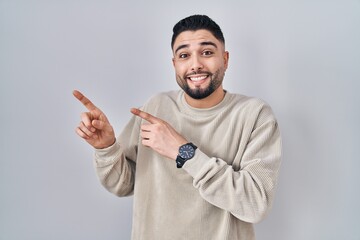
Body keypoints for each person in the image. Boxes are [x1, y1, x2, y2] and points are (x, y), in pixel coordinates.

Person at [74, 14, 281, 240]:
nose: (195, 65)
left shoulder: (255, 114)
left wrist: (184, 152)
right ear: (174, 64)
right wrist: (107, 148)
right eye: (184, 55)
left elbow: (255, 204)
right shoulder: (156, 107)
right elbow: (122, 185)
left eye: (207, 52)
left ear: (225, 59)